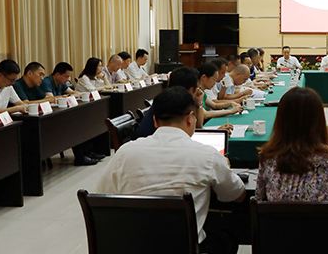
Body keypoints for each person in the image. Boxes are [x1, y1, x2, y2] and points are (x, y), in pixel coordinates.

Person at [96, 86, 246, 254]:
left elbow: (102, 197)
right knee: (226, 239)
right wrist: (224, 168)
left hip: (134, 245)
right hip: (184, 246)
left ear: (155, 121)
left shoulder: (125, 152)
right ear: (190, 118)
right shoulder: (208, 155)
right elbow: (236, 195)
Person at [137, 67, 229, 138]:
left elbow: (198, 126)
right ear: (191, 89)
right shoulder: (175, 104)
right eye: (197, 87)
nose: (199, 90)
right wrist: (215, 134)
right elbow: (189, 136)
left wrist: (198, 104)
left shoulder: (170, 98)